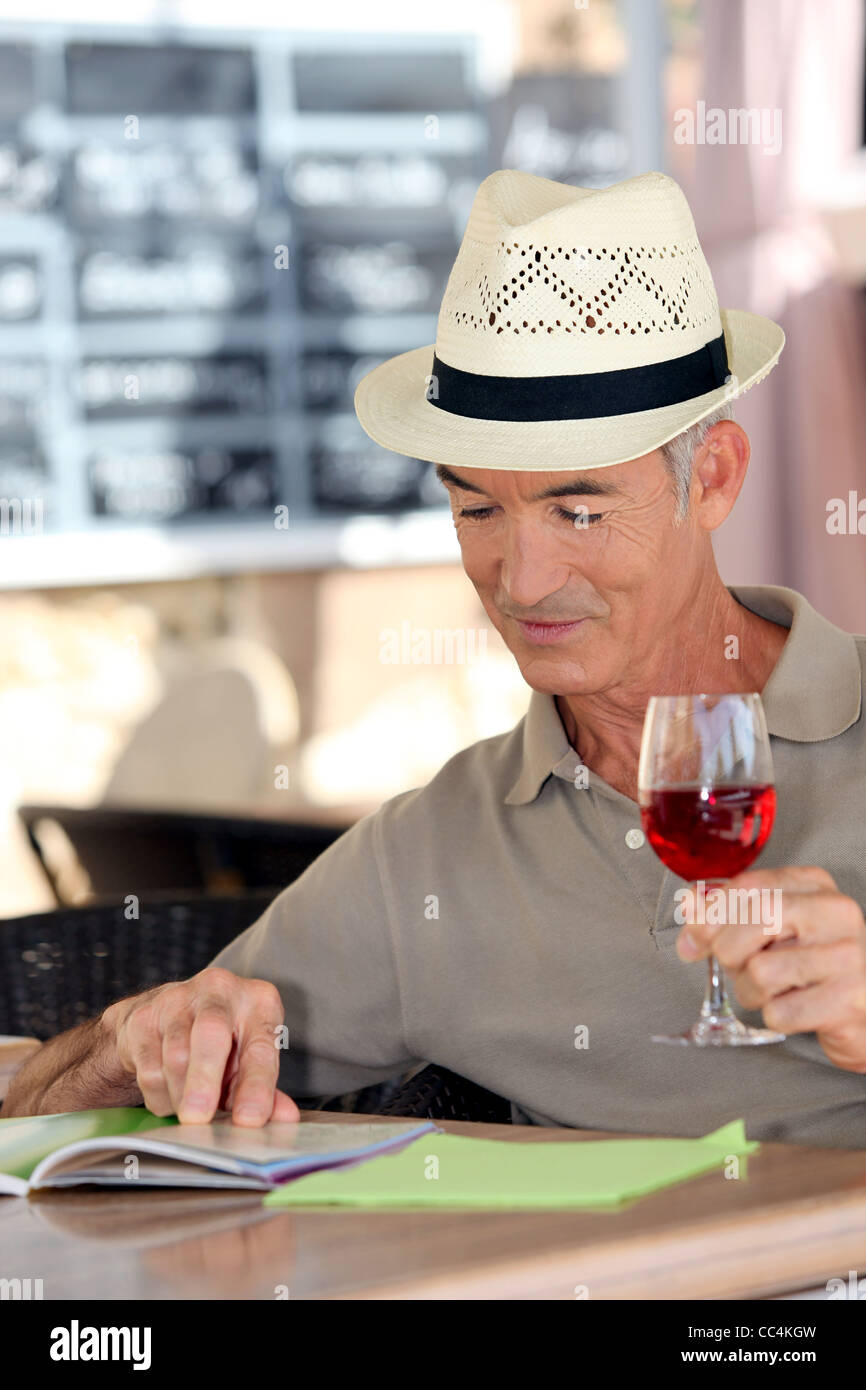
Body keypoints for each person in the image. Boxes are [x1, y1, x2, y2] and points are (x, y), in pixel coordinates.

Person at [6, 171, 866, 1147]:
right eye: (476, 509)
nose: (524, 579)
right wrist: (129, 1041)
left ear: (708, 479)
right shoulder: (426, 856)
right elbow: (28, 1122)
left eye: (576, 510)